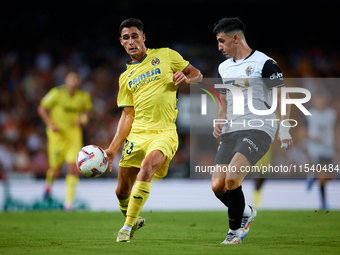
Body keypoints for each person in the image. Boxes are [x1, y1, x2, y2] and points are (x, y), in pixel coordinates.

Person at [105, 18, 202, 242]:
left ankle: (126, 229)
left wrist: (187, 78)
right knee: (121, 191)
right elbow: (127, 115)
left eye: (135, 36)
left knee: (146, 169)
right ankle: (133, 218)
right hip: (137, 135)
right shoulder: (125, 77)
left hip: (163, 132)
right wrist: (112, 149)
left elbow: (199, 75)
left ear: (143, 37)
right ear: (121, 42)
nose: (131, 41)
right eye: (126, 38)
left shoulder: (167, 55)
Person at [211, 17, 293, 244]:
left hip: (259, 128)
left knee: (231, 180)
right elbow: (224, 100)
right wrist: (219, 121)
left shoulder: (265, 63)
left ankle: (234, 232)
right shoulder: (223, 67)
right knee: (217, 186)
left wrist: (284, 128)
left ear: (235, 38)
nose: (219, 47)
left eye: (222, 41)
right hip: (232, 130)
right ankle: (246, 211)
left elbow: (282, 96)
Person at [38, 70, 92, 211]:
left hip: (73, 135)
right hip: (57, 135)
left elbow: (87, 111)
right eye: (71, 78)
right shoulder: (56, 93)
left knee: (72, 168)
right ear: (66, 80)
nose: (74, 80)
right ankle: (48, 185)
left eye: (76, 78)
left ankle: (68, 203)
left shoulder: (83, 96)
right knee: (55, 170)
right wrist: (50, 123)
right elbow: (42, 108)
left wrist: (83, 119)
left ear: (79, 82)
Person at [305, 92, 337, 209]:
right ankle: (323, 202)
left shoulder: (331, 114)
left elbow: (335, 129)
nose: (320, 102)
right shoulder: (309, 114)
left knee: (329, 177)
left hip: (328, 149)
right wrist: (313, 138)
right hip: (316, 149)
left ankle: (313, 176)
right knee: (322, 176)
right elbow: (302, 133)